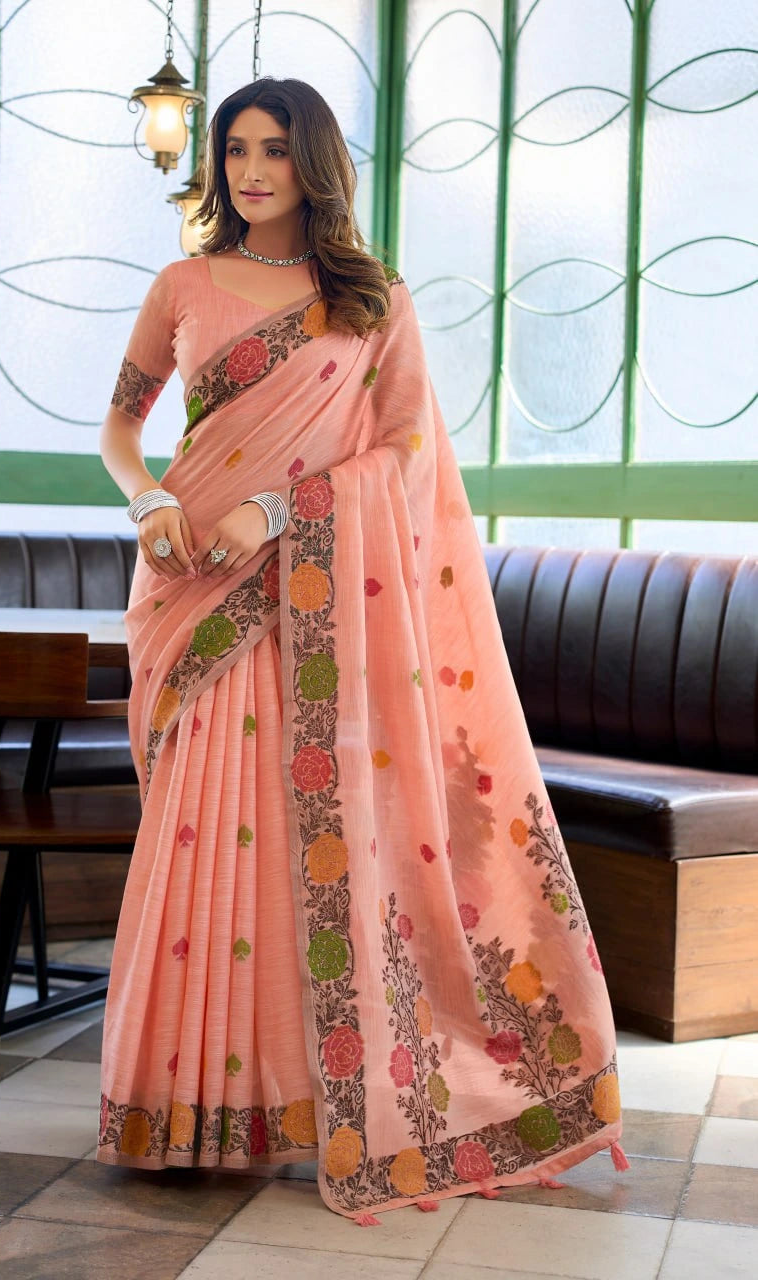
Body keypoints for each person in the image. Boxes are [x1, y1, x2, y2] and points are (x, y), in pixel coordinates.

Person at [96, 76, 627, 1224]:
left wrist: (283, 514)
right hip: (191, 588)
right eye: (234, 148)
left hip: (306, 597)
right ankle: (176, 1100)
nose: (248, 169)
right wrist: (147, 503)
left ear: (313, 163)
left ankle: (288, 1099)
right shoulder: (182, 284)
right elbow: (121, 429)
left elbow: (403, 460)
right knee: (196, 835)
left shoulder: (368, 299)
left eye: (273, 149)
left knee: (286, 839)